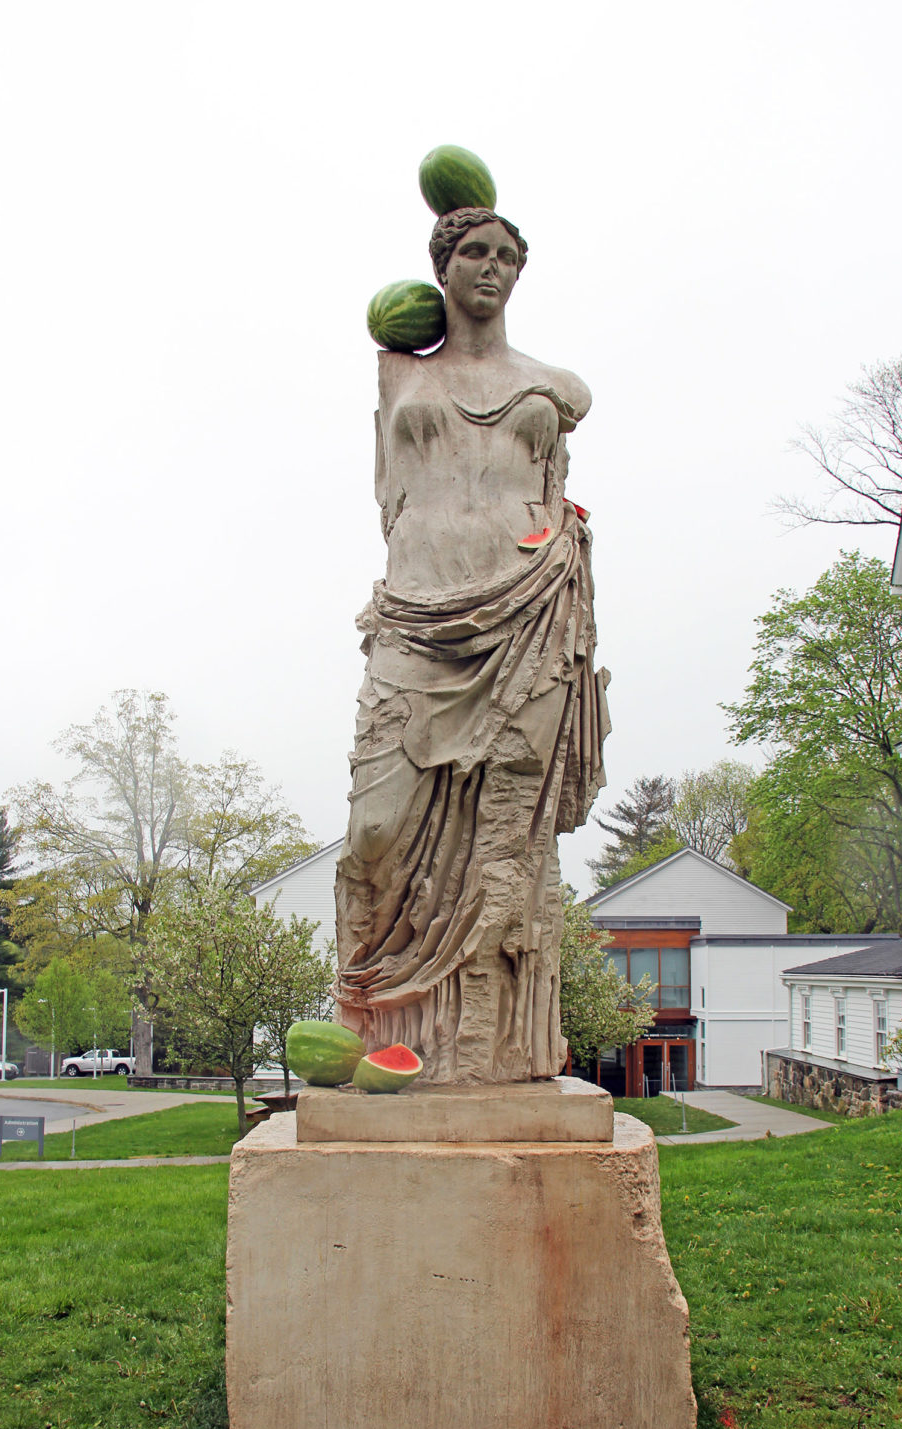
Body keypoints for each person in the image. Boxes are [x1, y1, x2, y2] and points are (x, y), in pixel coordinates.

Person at [334, 206, 609, 1084]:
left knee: (509, 848)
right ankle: (362, 1010)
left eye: (505, 256)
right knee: (374, 827)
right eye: (472, 254)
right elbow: (389, 500)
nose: (490, 269)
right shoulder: (396, 374)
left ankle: (493, 1047)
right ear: (441, 270)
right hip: (418, 616)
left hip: (530, 618)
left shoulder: (555, 385)